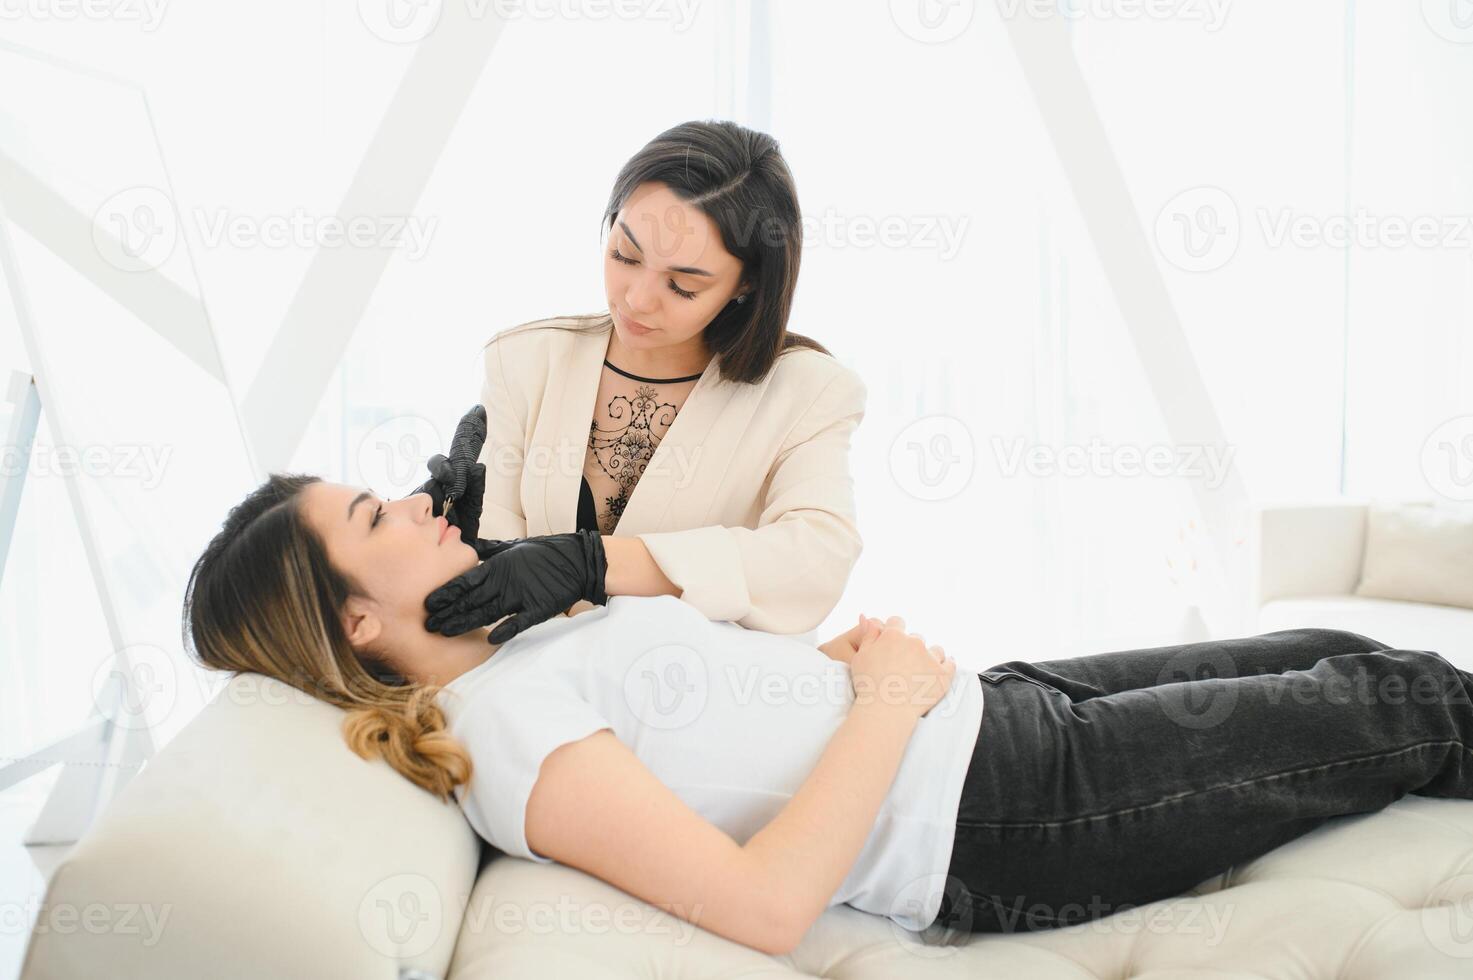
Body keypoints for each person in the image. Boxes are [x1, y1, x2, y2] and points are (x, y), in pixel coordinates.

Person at [184, 475, 1473, 955]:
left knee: (1335, 648)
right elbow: (759, 903)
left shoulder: (518, 646)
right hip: (1012, 810)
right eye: (379, 520)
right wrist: (888, 700)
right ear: (356, 622)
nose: (418, 506)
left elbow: (721, 712)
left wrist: (844, 668)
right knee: (1396, 700)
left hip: (999, 715)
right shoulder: (506, 738)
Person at [413, 119, 869, 648]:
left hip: (705, 699)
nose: (636, 299)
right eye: (624, 256)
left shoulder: (807, 393)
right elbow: (488, 573)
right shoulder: (525, 362)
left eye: (681, 285)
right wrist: (445, 529)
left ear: (747, 283)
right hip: (534, 688)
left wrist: (596, 564)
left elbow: (815, 558)